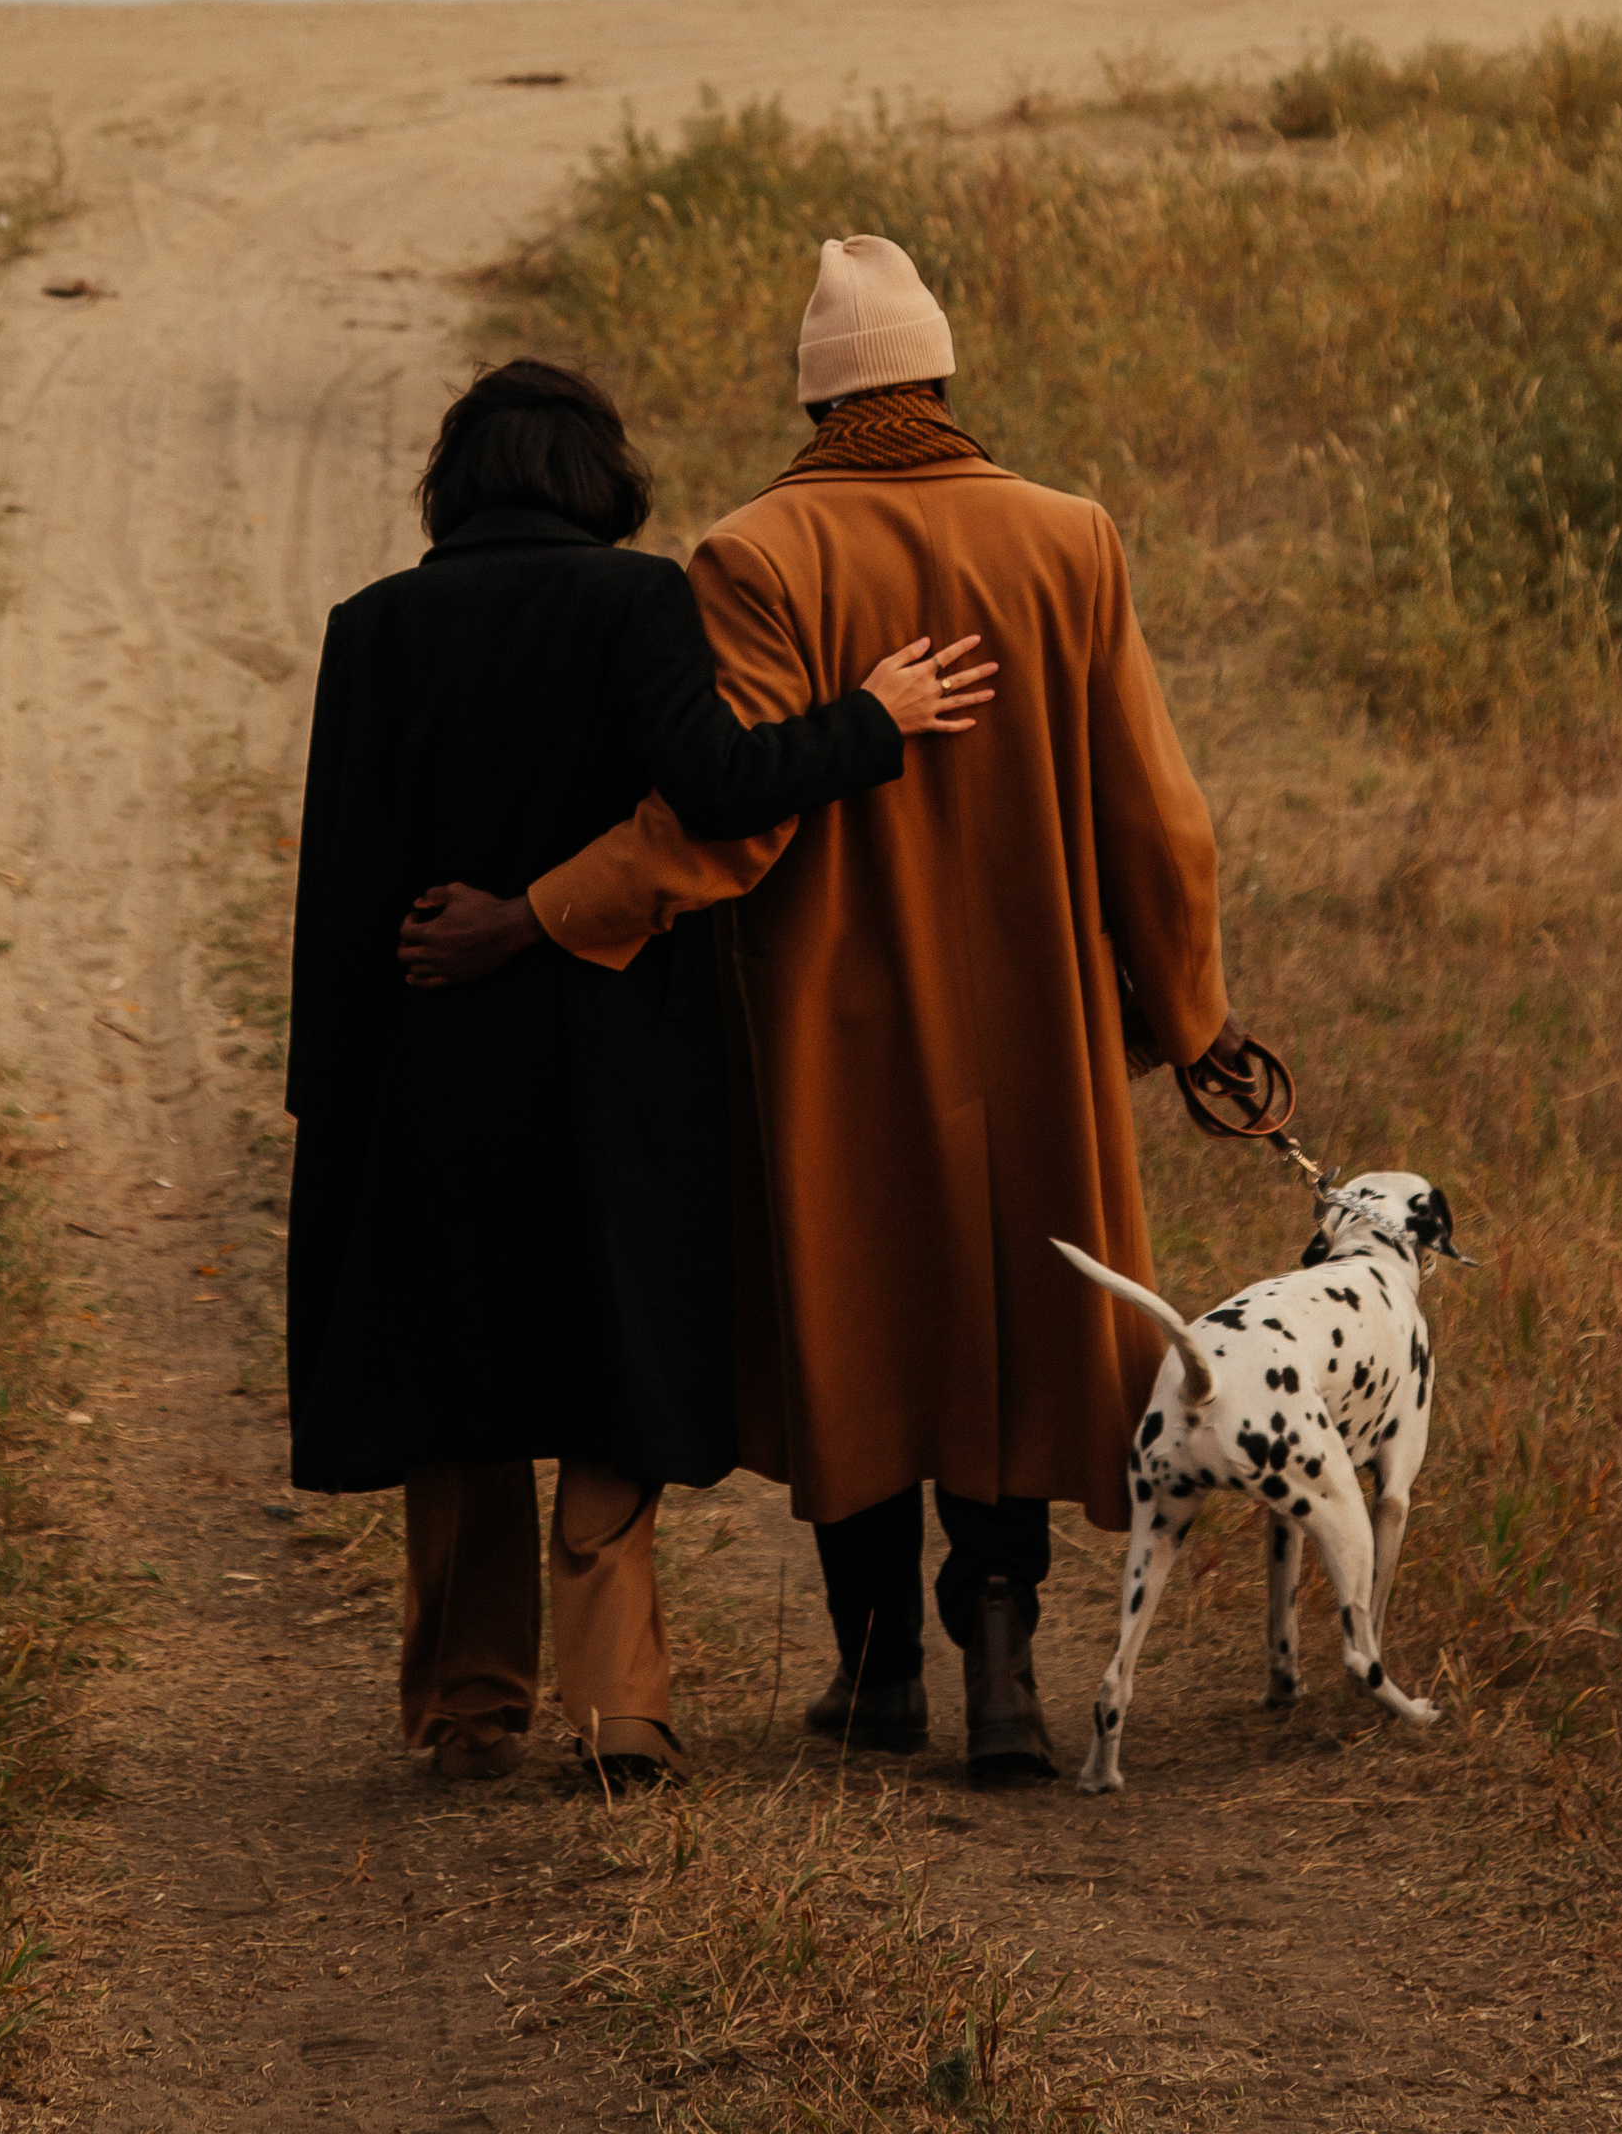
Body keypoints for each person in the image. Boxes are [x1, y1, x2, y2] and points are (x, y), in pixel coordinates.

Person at [401, 238, 1238, 1783]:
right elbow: (1161, 820)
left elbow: (724, 825)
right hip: (1034, 1028)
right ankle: (1002, 1663)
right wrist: (1191, 1022)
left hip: (828, 1031)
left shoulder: (758, 554)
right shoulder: (1072, 538)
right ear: (938, 377)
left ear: (814, 398)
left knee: (862, 1330)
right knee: (1003, 1313)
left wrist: (537, 915)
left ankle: (873, 1675)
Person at [286, 353, 991, 1789]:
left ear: (457, 483)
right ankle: (622, 1716)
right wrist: (874, 720)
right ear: (598, 477)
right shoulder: (637, 600)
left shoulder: (375, 628)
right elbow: (717, 798)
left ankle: (470, 1709)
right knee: (612, 1372)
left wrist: (329, 1094)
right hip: (611, 1064)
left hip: (425, 1059)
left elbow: (340, 878)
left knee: (459, 1389)